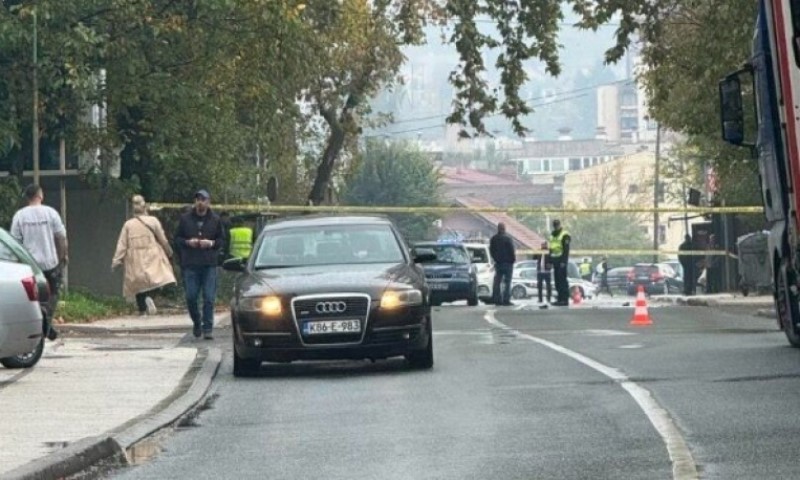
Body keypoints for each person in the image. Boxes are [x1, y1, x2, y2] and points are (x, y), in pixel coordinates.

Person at [10, 184, 68, 340]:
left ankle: (41, 323)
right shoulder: (51, 213)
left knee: (32, 297)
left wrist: (17, 264)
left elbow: (15, 243)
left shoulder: (19, 216)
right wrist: (63, 258)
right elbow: (61, 238)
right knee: (53, 295)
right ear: (40, 195)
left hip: (30, 265)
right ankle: (46, 322)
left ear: (27, 198)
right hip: (50, 263)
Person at [111, 195, 177, 316]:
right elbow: (162, 238)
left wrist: (117, 260)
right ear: (144, 205)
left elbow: (122, 244)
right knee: (159, 278)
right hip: (152, 254)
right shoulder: (153, 221)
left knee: (138, 284)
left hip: (134, 257)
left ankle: (142, 310)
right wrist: (169, 251)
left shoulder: (128, 225)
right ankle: (150, 297)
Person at [175, 189, 225, 339]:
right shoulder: (185, 219)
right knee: (191, 297)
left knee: (209, 297)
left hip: (209, 264)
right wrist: (187, 242)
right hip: (191, 264)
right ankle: (197, 321)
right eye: (198, 199)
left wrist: (211, 243)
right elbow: (177, 239)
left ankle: (208, 328)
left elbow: (222, 241)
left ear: (208, 202)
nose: (200, 202)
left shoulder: (215, 220)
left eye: (203, 199)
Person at [489, 222, 516, 306]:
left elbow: (491, 250)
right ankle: (506, 299)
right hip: (508, 263)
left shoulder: (493, 239)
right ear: (504, 229)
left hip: (498, 263)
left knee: (497, 281)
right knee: (507, 282)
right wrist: (513, 260)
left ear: (498, 228)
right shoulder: (508, 239)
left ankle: (497, 299)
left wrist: (495, 258)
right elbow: (511, 250)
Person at [549, 219, 571, 306]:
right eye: (554, 225)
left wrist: (563, 261)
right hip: (555, 260)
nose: (555, 227)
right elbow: (551, 248)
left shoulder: (565, 235)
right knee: (557, 281)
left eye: (556, 225)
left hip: (561, 260)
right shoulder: (552, 235)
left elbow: (566, 250)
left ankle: (564, 299)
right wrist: (550, 261)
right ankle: (559, 298)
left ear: (559, 225)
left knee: (562, 281)